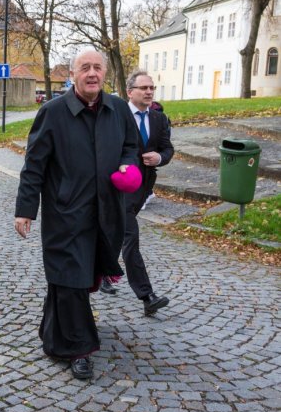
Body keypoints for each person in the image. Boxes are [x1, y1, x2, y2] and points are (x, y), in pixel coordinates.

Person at [14, 49, 139, 380]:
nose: (92, 73)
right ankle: (79, 348)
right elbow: (34, 165)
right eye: (85, 68)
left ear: (105, 73)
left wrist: (129, 165)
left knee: (77, 278)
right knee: (71, 278)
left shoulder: (118, 110)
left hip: (106, 211)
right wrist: (26, 210)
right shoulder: (53, 113)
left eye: (98, 67)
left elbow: (131, 145)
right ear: (73, 74)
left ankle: (53, 331)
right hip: (66, 214)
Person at [100, 71, 173, 316]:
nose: (149, 91)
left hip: (143, 188)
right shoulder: (117, 117)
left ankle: (101, 273)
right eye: (143, 88)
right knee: (130, 238)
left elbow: (167, 148)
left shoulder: (159, 119)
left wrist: (160, 157)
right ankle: (147, 295)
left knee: (115, 234)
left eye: (152, 87)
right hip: (118, 188)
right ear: (130, 92)